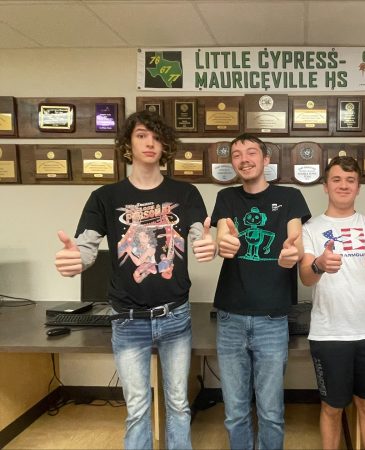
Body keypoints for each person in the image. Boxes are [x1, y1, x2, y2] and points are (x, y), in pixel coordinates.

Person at [54, 110, 216, 450]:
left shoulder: (186, 194)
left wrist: (209, 246)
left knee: (178, 405)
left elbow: (202, 238)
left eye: (157, 137)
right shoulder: (105, 197)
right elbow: (84, 247)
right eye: (142, 135)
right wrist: (75, 261)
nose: (150, 143)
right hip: (127, 321)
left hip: (175, 317)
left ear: (166, 146)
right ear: (128, 144)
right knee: (138, 408)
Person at [211, 133, 311, 449]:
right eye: (237, 154)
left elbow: (296, 239)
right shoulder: (226, 199)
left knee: (270, 411)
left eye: (251, 152)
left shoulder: (291, 196)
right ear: (233, 163)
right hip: (231, 318)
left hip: (272, 318)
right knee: (235, 411)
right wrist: (222, 243)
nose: (244, 158)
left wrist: (292, 253)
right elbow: (224, 236)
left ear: (266, 160)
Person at [299, 156, 365, 450]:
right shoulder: (311, 229)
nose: (344, 185)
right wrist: (318, 264)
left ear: (359, 187)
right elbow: (306, 278)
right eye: (337, 179)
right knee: (332, 408)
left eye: (350, 180)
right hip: (329, 335)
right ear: (326, 186)